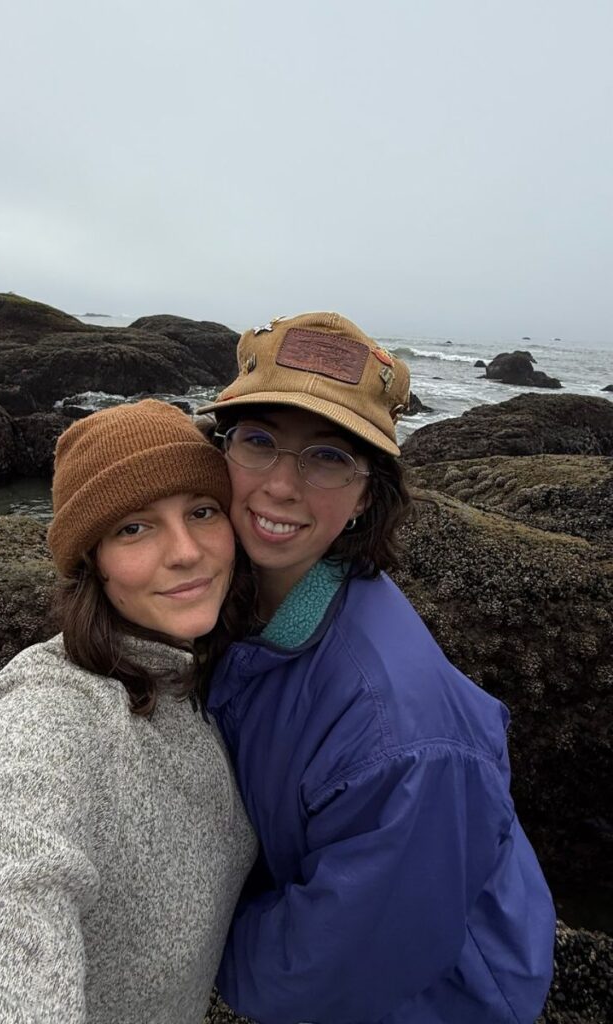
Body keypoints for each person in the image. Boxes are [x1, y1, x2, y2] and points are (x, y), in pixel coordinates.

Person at [200, 313, 556, 1024]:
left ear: (368, 494)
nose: (280, 486)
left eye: (328, 457)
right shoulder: (235, 600)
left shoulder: (401, 739)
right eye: (259, 440)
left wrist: (186, 948)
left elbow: (332, 971)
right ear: (221, 448)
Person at [0, 399, 257, 1024]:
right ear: (90, 560)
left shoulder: (214, 670)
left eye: (202, 511)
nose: (185, 551)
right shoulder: (52, 714)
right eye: (133, 528)